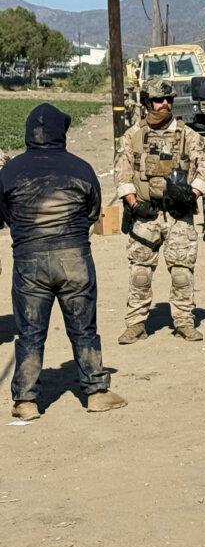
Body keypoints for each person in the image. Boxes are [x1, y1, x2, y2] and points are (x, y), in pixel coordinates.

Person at [0, 104, 127, 420]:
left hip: (29, 262)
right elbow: (92, 211)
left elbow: (4, 215)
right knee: (84, 329)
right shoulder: (81, 169)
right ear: (61, 133)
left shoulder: (10, 172)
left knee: (29, 332)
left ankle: (26, 401)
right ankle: (96, 392)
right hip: (75, 259)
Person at [114, 78, 205, 343]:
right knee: (140, 273)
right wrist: (134, 203)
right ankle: (135, 323)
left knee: (182, 272)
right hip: (146, 214)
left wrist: (190, 195)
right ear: (147, 102)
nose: (165, 104)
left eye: (169, 100)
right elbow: (122, 174)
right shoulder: (133, 136)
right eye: (159, 100)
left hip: (179, 215)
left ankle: (183, 321)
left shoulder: (187, 135)